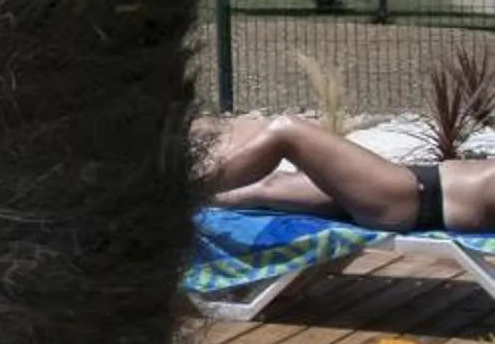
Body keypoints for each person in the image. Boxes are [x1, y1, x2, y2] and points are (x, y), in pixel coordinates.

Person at [204, 115, 495, 231]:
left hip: (406, 197)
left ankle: (175, 193)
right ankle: (191, 200)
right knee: (268, 186)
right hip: (410, 188)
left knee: (286, 132)